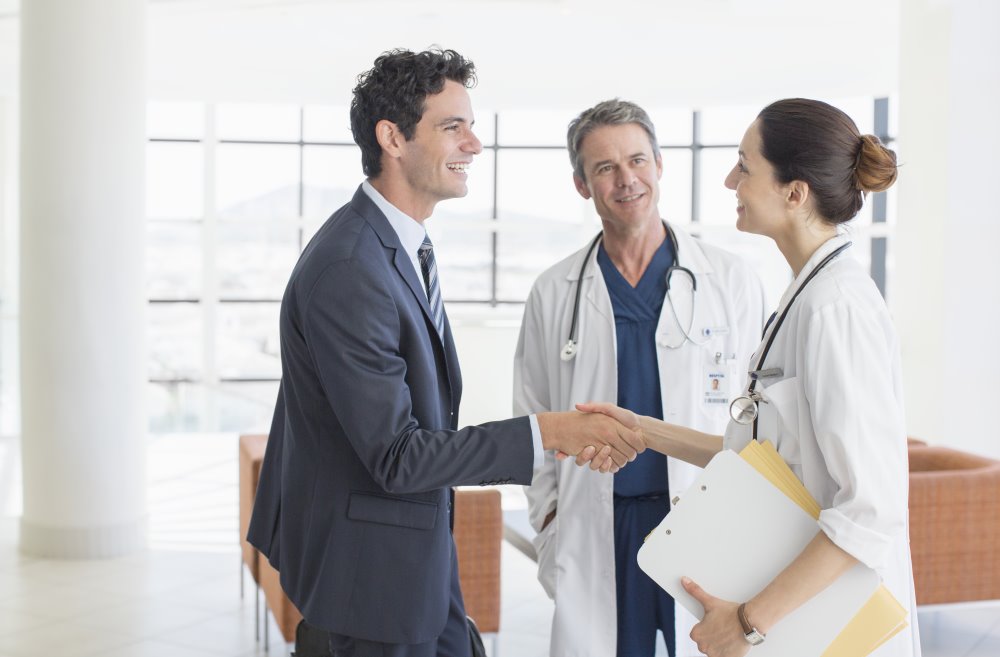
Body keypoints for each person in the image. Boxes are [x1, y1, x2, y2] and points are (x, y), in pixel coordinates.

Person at [246, 49, 643, 657]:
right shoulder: (352, 267)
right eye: (452, 126)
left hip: (410, 560)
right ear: (392, 139)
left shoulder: (396, 248)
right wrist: (551, 432)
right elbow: (398, 455)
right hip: (366, 585)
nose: (475, 144)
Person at [581, 98, 920, 657]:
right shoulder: (804, 296)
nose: (729, 179)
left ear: (795, 192)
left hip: (825, 624)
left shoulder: (837, 309)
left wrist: (747, 623)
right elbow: (756, 460)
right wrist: (640, 429)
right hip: (792, 611)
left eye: (745, 165)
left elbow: (869, 509)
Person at [514, 99, 766, 657]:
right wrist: (550, 522)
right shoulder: (554, 292)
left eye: (636, 160)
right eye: (604, 168)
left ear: (659, 164)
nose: (626, 179)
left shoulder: (731, 281)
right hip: (597, 526)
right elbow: (532, 419)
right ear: (582, 185)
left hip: (702, 518)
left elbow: (762, 417)